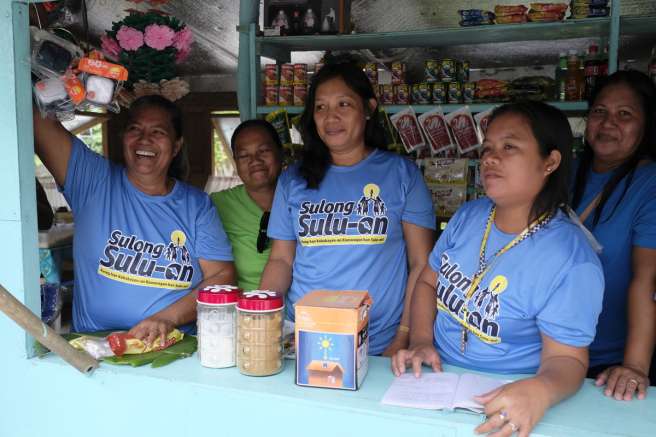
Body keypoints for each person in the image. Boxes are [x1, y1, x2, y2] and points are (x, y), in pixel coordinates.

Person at [392, 101, 604, 436]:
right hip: (434, 381)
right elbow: (428, 284)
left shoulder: (571, 259)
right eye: (487, 147)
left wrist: (541, 390)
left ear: (550, 161)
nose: (490, 157)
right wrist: (420, 340)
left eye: (509, 147)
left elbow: (569, 360)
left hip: (510, 396)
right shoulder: (468, 217)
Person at [259, 62, 435, 356]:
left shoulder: (401, 174)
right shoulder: (294, 179)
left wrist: (403, 337)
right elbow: (281, 261)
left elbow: (421, 264)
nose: (331, 117)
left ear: (368, 108)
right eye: (321, 107)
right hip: (304, 337)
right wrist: (263, 320)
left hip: (378, 342)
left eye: (344, 104)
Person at [33, 95, 235, 345]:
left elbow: (222, 276)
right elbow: (36, 119)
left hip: (172, 347)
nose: (144, 139)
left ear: (176, 145)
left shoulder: (196, 206)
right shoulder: (92, 181)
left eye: (158, 131)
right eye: (135, 129)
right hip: (97, 346)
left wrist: (165, 319)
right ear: (123, 138)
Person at [571, 70, 656, 400]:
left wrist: (634, 366)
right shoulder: (565, 170)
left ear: (646, 124)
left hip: (609, 360)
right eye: (599, 112)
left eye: (625, 114)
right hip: (549, 347)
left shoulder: (649, 185)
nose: (607, 124)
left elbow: (646, 280)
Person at [211, 119, 283, 291]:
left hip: (304, 309)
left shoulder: (302, 201)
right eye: (244, 155)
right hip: (243, 311)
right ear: (235, 162)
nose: (255, 160)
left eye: (263, 151)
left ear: (281, 153)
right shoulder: (217, 205)